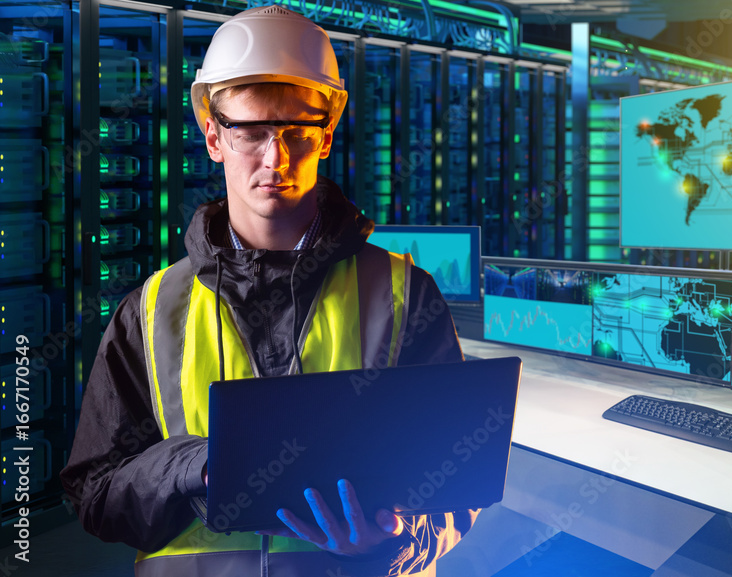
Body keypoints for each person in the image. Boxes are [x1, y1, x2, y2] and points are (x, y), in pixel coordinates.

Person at [60, 6, 476, 576]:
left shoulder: (405, 296)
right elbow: (96, 494)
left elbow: (454, 485)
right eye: (251, 132)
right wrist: (195, 466)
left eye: (298, 133)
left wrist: (393, 542)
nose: (275, 158)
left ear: (326, 137)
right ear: (213, 136)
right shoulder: (152, 311)